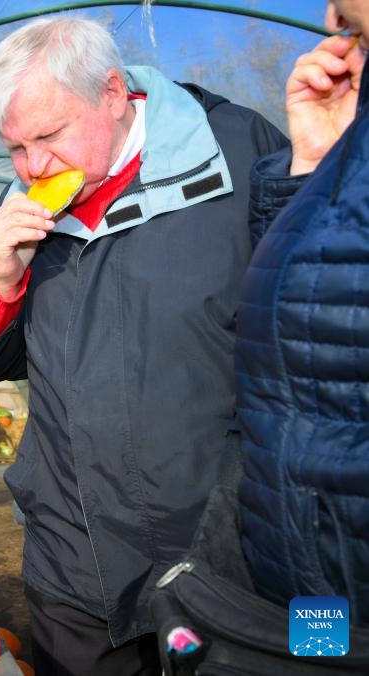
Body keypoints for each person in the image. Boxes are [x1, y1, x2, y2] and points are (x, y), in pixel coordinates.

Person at [0, 16, 288, 676]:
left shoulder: (241, 157)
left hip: (221, 545)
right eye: (14, 147)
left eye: (48, 135)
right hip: (75, 561)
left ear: (111, 93)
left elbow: (305, 326)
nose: (33, 165)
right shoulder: (14, 208)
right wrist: (2, 278)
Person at [237, 0, 369, 625]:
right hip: (315, 581)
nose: (328, 14)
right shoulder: (355, 128)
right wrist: (314, 166)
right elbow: (298, 310)